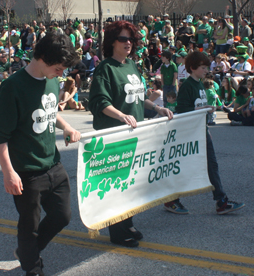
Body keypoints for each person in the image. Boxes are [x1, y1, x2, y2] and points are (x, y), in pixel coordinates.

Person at [0, 32, 81, 276]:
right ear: (41, 58)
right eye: (58, 67)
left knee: (62, 216)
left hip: (53, 163)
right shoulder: (13, 87)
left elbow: (49, 109)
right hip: (26, 170)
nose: (61, 73)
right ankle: (33, 274)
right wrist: (8, 171)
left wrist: (68, 126)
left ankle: (27, 253)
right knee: (30, 227)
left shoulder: (50, 79)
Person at [88, 20, 173, 247]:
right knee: (116, 185)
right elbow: (99, 102)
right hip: (115, 135)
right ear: (112, 42)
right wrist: (121, 116)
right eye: (123, 39)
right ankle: (117, 231)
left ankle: (128, 223)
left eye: (131, 39)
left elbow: (138, 97)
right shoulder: (105, 68)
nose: (128, 43)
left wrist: (157, 108)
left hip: (136, 135)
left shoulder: (132, 66)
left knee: (131, 184)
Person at [164, 51, 245, 214]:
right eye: (202, 67)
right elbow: (182, 110)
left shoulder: (200, 84)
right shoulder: (187, 85)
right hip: (189, 133)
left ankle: (221, 201)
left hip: (201, 131)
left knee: (211, 165)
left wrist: (205, 122)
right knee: (187, 167)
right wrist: (202, 109)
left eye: (206, 67)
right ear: (192, 68)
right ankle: (171, 199)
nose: (206, 70)